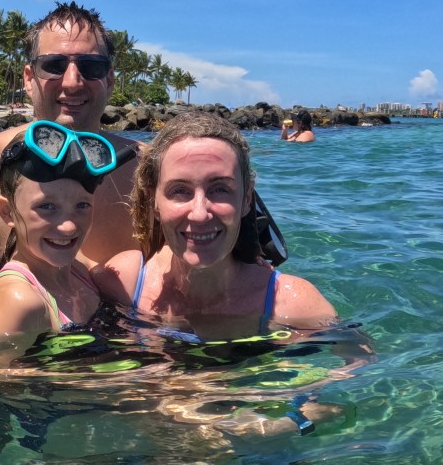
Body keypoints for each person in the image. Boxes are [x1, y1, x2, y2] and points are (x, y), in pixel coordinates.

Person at [0, 2, 140, 280]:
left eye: (91, 67)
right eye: (54, 65)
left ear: (110, 79)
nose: (72, 82)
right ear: (29, 79)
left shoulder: (147, 171)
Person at [97, 110, 336, 336]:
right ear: (154, 202)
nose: (200, 214)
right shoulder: (123, 283)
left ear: (246, 199)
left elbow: (355, 365)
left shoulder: (295, 306)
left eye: (220, 189)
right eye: (179, 190)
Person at [0, 121, 135, 368]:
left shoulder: (78, 268)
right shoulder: (20, 299)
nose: (68, 226)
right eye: (47, 207)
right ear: (7, 212)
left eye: (82, 206)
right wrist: (109, 378)